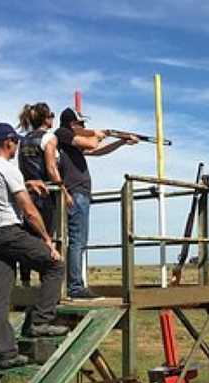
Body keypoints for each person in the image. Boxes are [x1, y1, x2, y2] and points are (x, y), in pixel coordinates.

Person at [0, 123, 68, 368]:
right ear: (8, 142)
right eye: (15, 142)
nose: (17, 146)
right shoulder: (7, 168)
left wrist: (27, 183)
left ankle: (7, 353)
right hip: (8, 232)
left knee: (0, 295)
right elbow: (28, 209)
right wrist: (47, 240)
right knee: (55, 265)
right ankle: (40, 321)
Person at [55, 107, 137, 297]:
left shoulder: (70, 142)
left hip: (78, 193)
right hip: (75, 193)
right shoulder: (63, 134)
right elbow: (93, 144)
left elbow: (97, 150)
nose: (85, 127)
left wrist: (120, 141)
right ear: (72, 124)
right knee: (77, 240)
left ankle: (73, 284)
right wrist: (101, 134)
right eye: (81, 124)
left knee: (77, 240)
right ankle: (75, 286)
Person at [16, 102, 70, 286]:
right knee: (48, 237)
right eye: (52, 115)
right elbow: (51, 168)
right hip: (45, 194)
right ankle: (47, 282)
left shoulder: (23, 140)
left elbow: (22, 167)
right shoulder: (49, 138)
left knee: (27, 238)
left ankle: (24, 282)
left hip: (25, 192)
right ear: (47, 119)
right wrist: (64, 192)